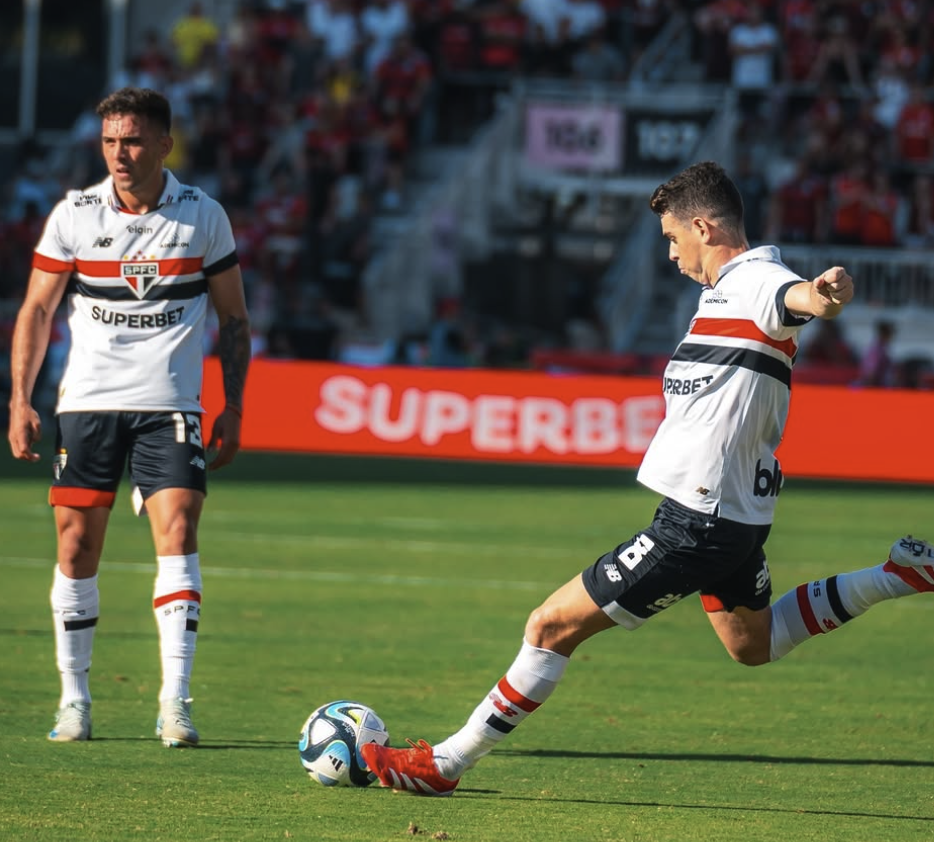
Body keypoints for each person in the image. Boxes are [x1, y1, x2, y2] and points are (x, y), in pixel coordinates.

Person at [360, 161, 934, 796]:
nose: (669, 252)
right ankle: (898, 575)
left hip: (698, 520)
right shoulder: (720, 297)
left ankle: (445, 764)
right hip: (734, 519)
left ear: (703, 225)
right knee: (754, 642)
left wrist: (822, 294)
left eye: (670, 237)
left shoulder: (752, 280)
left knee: (549, 627)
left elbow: (794, 298)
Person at [6, 87, 251, 747]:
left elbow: (233, 318)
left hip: (170, 404)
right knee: (76, 547)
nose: (120, 152)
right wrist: (20, 398)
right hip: (86, 404)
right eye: (111, 140)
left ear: (165, 143)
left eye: (134, 139)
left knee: (178, 527)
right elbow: (36, 310)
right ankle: (75, 701)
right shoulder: (74, 215)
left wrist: (233, 405)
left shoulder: (204, 217)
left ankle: (175, 702)